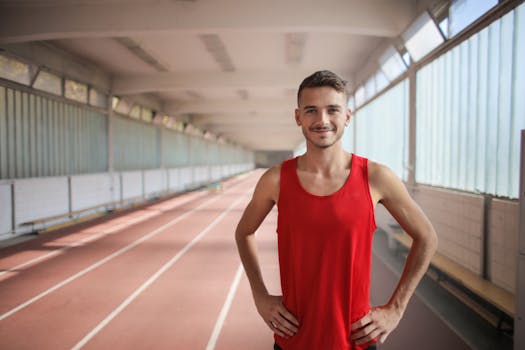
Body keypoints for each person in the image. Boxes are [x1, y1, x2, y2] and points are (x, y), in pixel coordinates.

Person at [234, 70, 438, 350]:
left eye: (332, 110)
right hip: (293, 341)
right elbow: (244, 232)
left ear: (347, 116)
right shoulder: (276, 180)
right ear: (297, 117)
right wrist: (260, 296)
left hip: (356, 341)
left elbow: (427, 236)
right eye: (311, 110)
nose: (322, 120)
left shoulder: (376, 177)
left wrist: (396, 308)